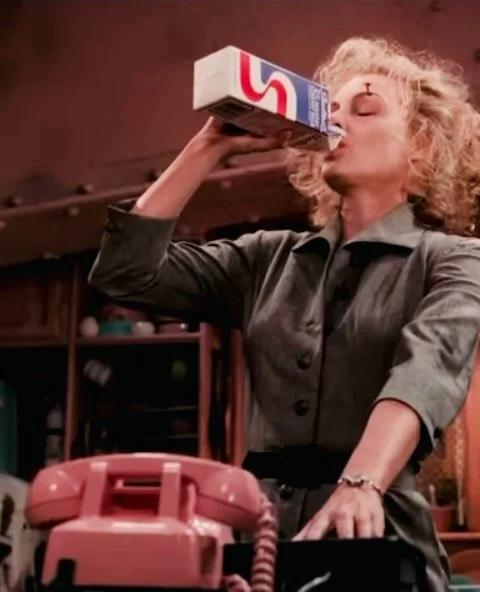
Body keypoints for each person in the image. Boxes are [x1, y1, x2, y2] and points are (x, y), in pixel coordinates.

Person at [88, 36, 480, 591]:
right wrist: (210, 144)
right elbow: (123, 274)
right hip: (263, 544)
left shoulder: (456, 259)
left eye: (365, 109)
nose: (337, 121)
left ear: (419, 145)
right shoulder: (265, 258)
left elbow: (428, 368)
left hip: (377, 532)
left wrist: (362, 482)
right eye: (331, 110)